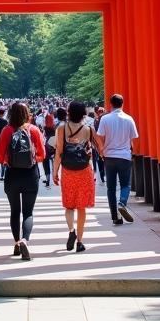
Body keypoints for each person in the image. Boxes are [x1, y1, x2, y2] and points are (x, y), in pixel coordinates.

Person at [0, 101, 46, 260]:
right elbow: (42, 155)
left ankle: (16, 243)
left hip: (12, 175)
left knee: (15, 211)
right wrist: (31, 159)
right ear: (27, 114)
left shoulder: (6, 130)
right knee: (28, 212)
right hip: (30, 174)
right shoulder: (34, 130)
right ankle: (25, 239)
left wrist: (9, 160)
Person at [54, 100, 96, 253]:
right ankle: (79, 241)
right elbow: (98, 148)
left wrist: (54, 171)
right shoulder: (89, 129)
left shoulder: (61, 128)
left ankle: (71, 230)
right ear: (84, 113)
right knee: (81, 207)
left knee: (69, 205)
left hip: (68, 170)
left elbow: (59, 152)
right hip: (84, 170)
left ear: (69, 112)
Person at [95, 93, 139, 226]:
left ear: (110, 104)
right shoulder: (129, 119)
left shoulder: (105, 119)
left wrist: (102, 149)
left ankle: (115, 217)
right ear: (122, 103)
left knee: (111, 188)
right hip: (124, 155)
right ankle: (122, 202)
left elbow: (98, 136)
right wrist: (133, 152)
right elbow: (134, 138)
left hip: (109, 156)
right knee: (126, 184)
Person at [91, 105, 106, 183]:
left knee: (99, 160)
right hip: (104, 143)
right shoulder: (104, 120)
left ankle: (102, 175)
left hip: (98, 143)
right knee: (102, 160)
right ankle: (103, 175)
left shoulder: (96, 120)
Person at [41, 111, 55, 188]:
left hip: (46, 146)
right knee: (54, 162)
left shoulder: (45, 127)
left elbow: (43, 136)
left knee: (45, 163)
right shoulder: (54, 127)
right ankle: (55, 177)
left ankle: (48, 180)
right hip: (54, 145)